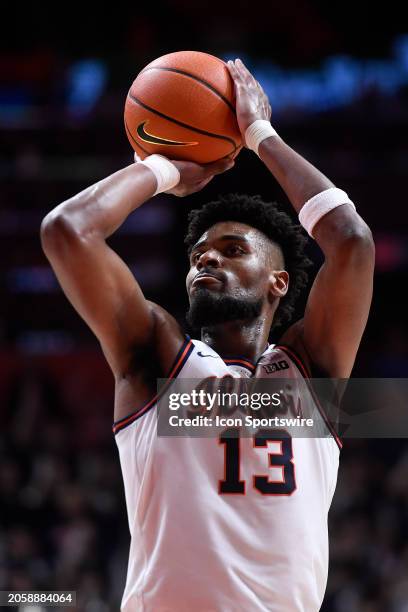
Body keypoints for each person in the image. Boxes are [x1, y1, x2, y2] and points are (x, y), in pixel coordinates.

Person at [41, 59, 375, 611]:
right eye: (198, 254)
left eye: (233, 250)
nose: (207, 260)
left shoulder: (310, 373)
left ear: (279, 281)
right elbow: (68, 231)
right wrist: (164, 169)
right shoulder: (156, 358)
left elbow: (351, 241)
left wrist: (259, 135)